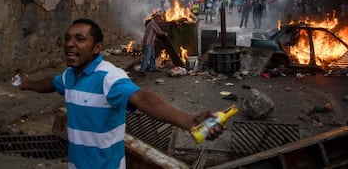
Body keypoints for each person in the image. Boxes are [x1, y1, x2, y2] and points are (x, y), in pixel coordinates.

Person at [19, 18, 222, 169]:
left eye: (79, 39)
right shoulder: (69, 76)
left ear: (97, 48)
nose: (70, 44)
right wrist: (27, 83)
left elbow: (142, 98)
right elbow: (52, 83)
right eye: (67, 39)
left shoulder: (108, 77)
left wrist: (189, 121)